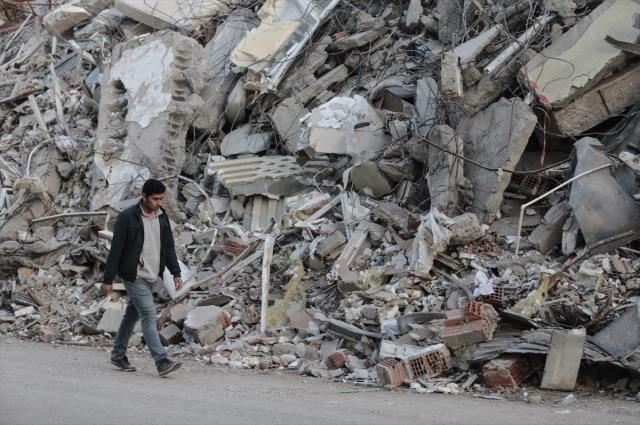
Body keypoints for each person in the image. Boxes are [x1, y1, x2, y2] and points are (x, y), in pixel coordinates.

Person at [101, 178, 183, 377]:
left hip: (153, 275)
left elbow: (168, 247)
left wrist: (176, 272)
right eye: (155, 199)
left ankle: (118, 355)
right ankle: (161, 361)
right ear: (144, 196)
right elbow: (116, 249)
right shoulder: (128, 217)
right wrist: (108, 279)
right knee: (148, 314)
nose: (158, 203)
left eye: (161, 199)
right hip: (134, 274)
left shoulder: (162, 217)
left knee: (132, 314)